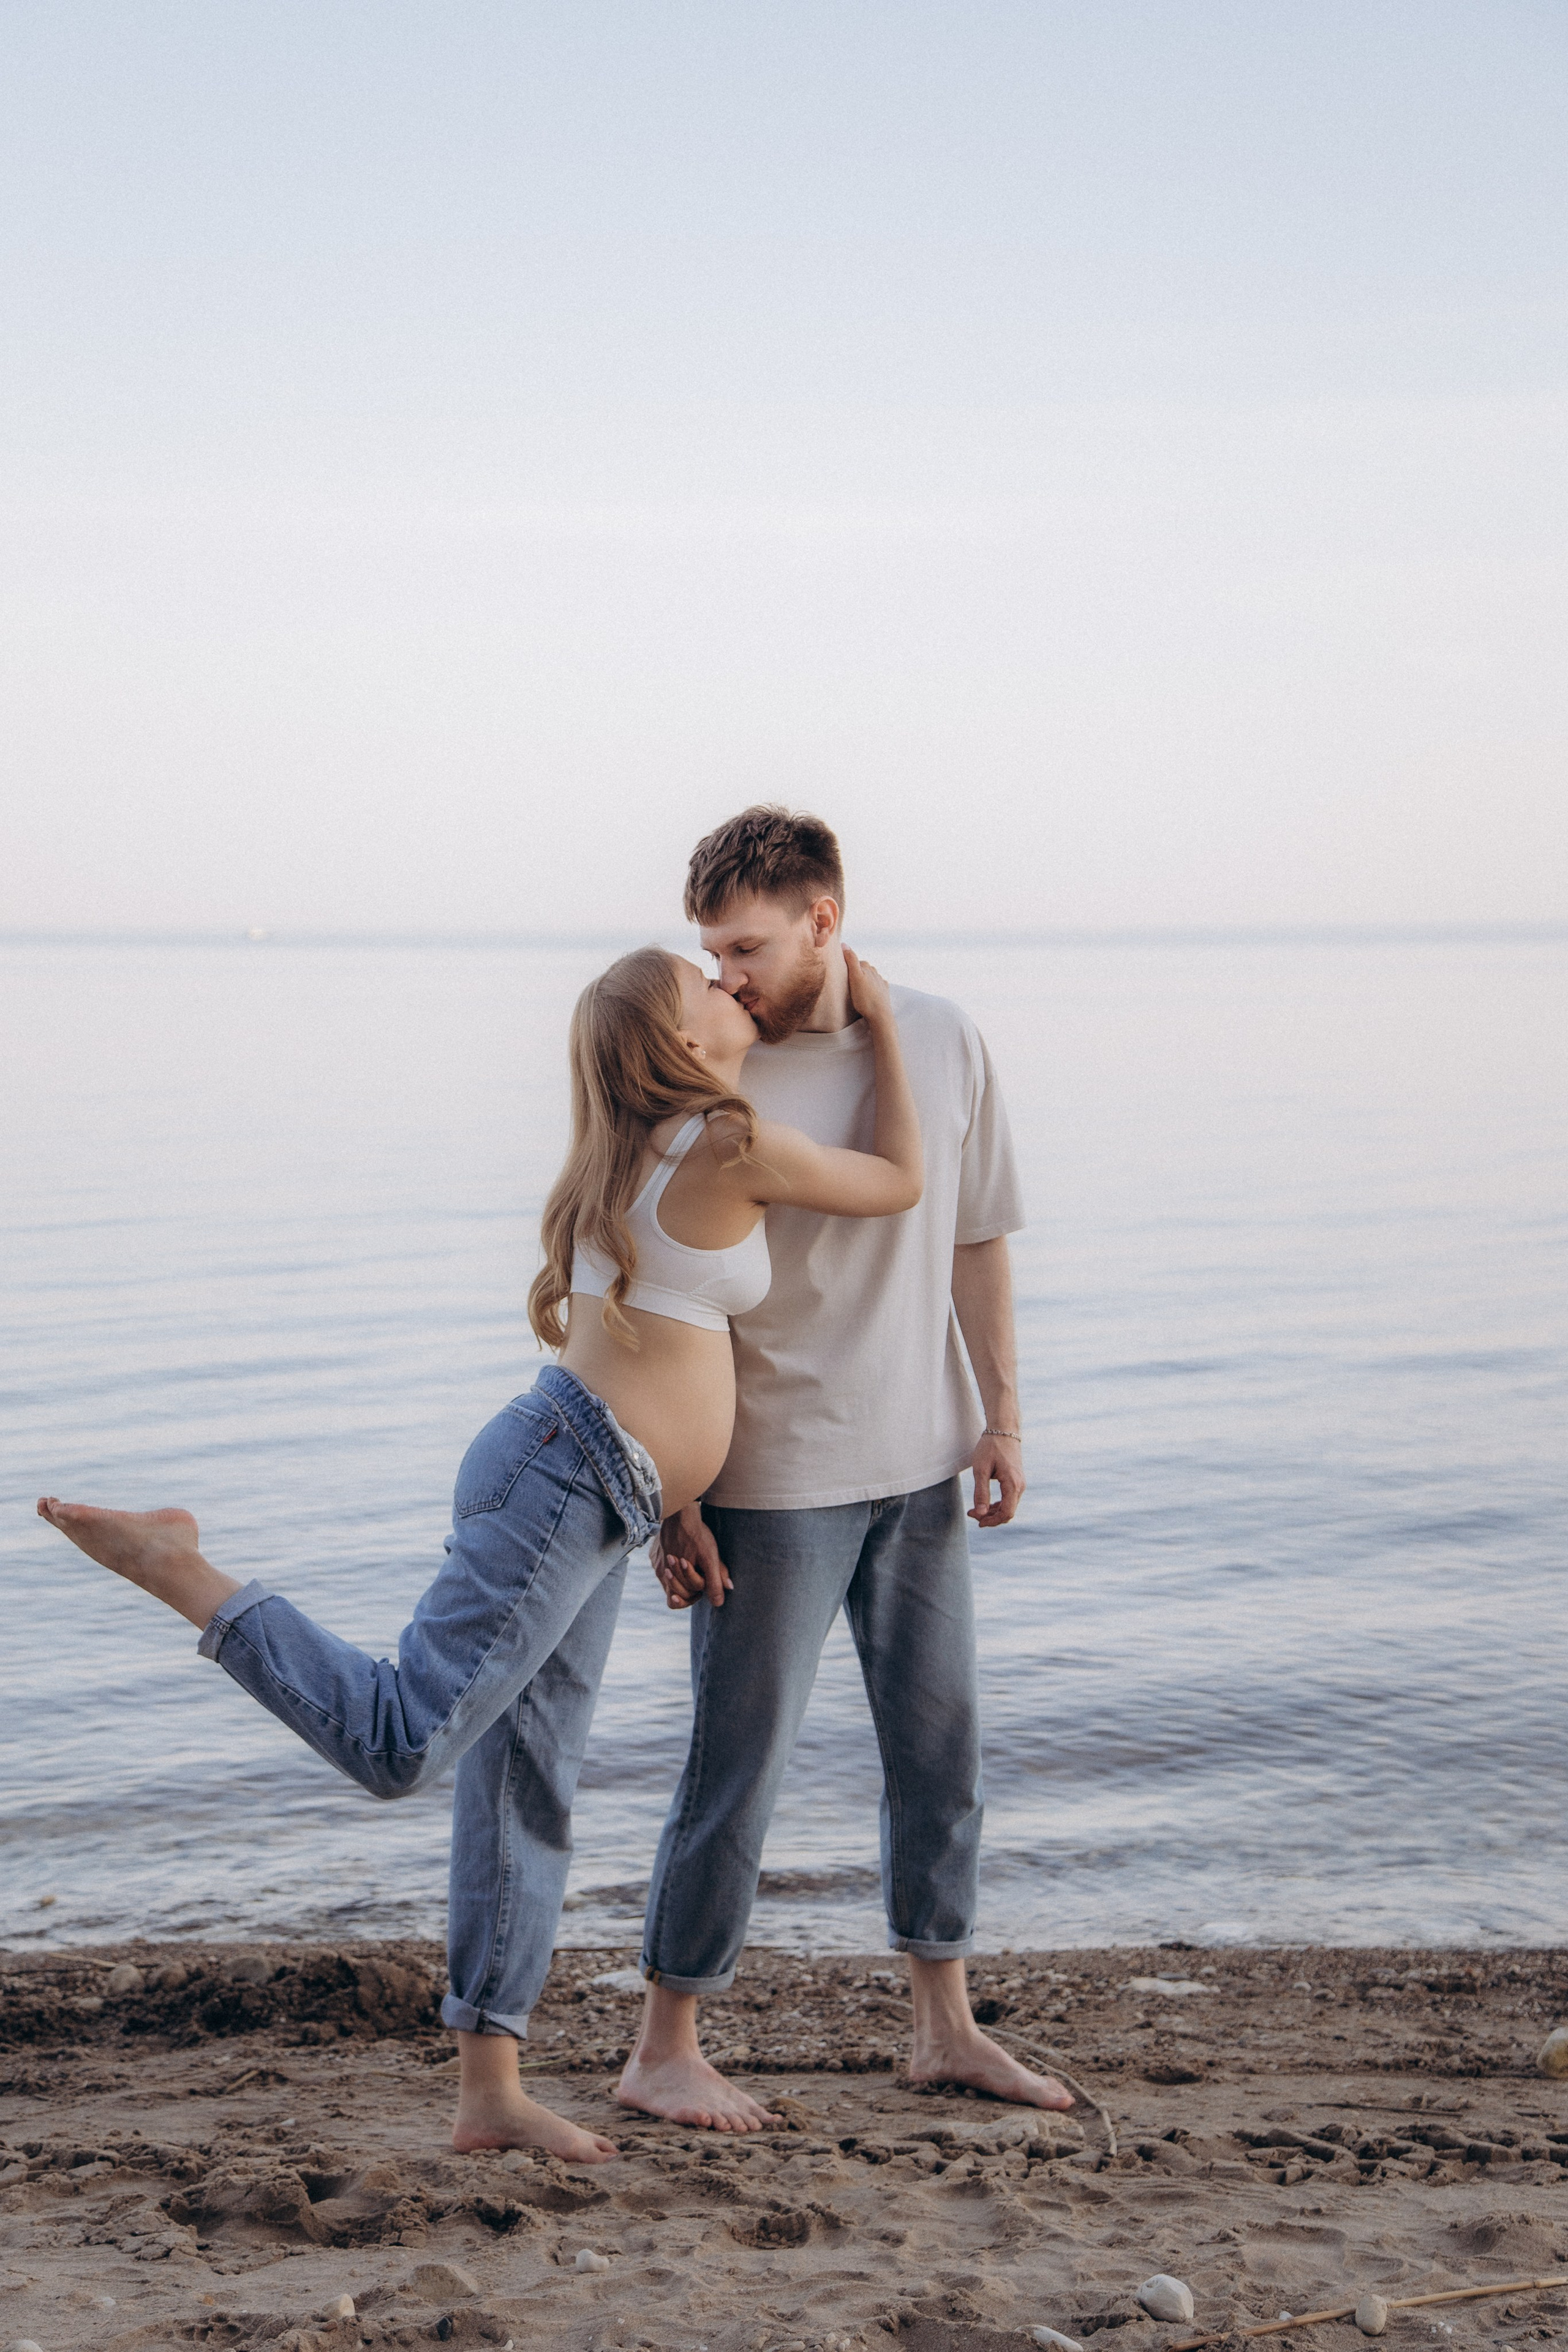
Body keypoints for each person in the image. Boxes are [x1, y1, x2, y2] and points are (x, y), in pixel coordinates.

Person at [37, 941, 921, 2165]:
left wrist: (672, 1501)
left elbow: (647, 1334)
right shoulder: (728, 1143)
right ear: (677, 1044)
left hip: (587, 1487)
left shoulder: (639, 1149)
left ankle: (489, 2094)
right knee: (405, 1743)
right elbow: (898, 1181)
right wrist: (879, 1022)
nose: (731, 990)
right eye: (704, 984)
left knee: (524, 1784)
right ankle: (181, 1569)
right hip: (559, 1482)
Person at [616, 807, 1073, 2134]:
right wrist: (676, 1495)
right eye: (711, 950)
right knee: (734, 1765)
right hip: (766, 1478)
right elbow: (658, 1300)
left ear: (822, 919)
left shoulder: (937, 1035)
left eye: (746, 944)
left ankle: (944, 2028)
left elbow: (974, 1234)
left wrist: (1001, 1418)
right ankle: (665, 2041)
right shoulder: (705, 1070)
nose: (726, 975)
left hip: (920, 1462)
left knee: (940, 1753)